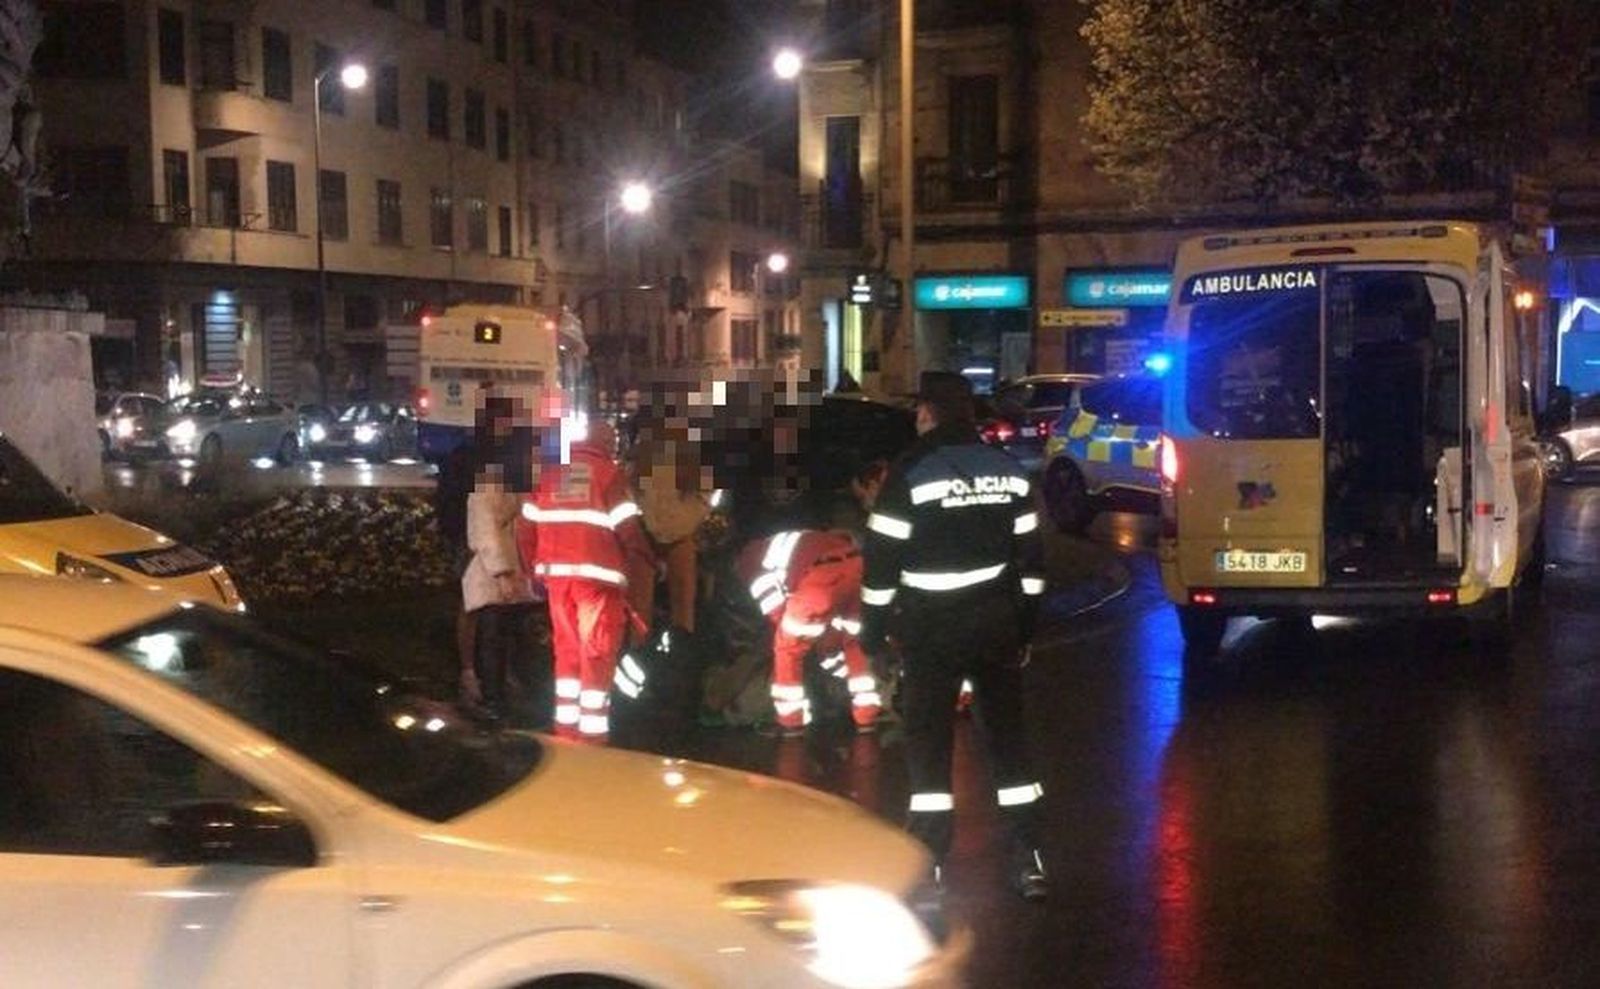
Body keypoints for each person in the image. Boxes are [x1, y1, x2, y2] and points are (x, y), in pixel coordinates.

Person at [860, 370, 1050, 902]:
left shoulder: (909, 474)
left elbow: (880, 569)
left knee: (929, 747)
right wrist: (1024, 625)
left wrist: (873, 633)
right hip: (996, 626)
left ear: (926, 414)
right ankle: (1030, 857)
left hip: (929, 632)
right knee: (1009, 745)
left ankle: (930, 868)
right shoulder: (1007, 471)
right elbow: (1032, 562)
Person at [518, 420, 652, 743]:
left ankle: (565, 731)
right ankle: (593, 738)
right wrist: (646, 560)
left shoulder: (551, 474)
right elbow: (629, 531)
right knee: (597, 655)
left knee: (566, 652)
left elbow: (524, 528)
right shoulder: (609, 473)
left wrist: (532, 571)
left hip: (557, 579)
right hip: (598, 581)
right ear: (606, 443)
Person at [736, 524, 883, 736]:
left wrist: (806, 639)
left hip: (822, 577)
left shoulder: (748, 561)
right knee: (852, 641)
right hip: (857, 568)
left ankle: (790, 721)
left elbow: (776, 611)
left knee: (787, 647)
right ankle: (867, 715)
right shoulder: (780, 542)